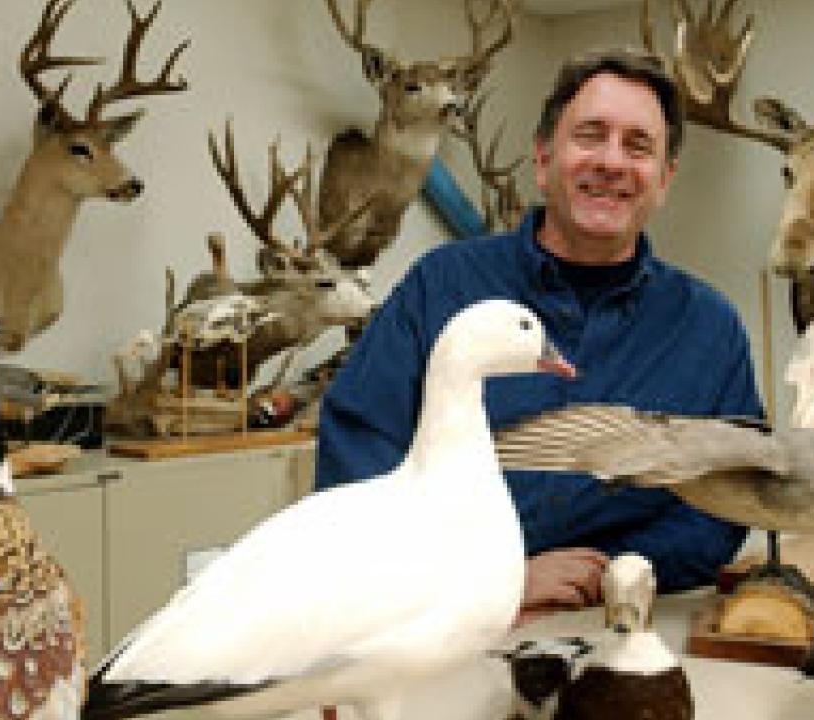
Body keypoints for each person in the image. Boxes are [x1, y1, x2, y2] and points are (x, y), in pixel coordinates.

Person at [314, 48, 762, 620]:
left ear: (664, 179)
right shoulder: (440, 288)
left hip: (628, 623)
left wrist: (607, 572)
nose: (612, 162)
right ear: (544, 157)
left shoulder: (710, 329)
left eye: (638, 146)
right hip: (433, 623)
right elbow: (356, 466)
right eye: (591, 136)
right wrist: (493, 581)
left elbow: (724, 504)